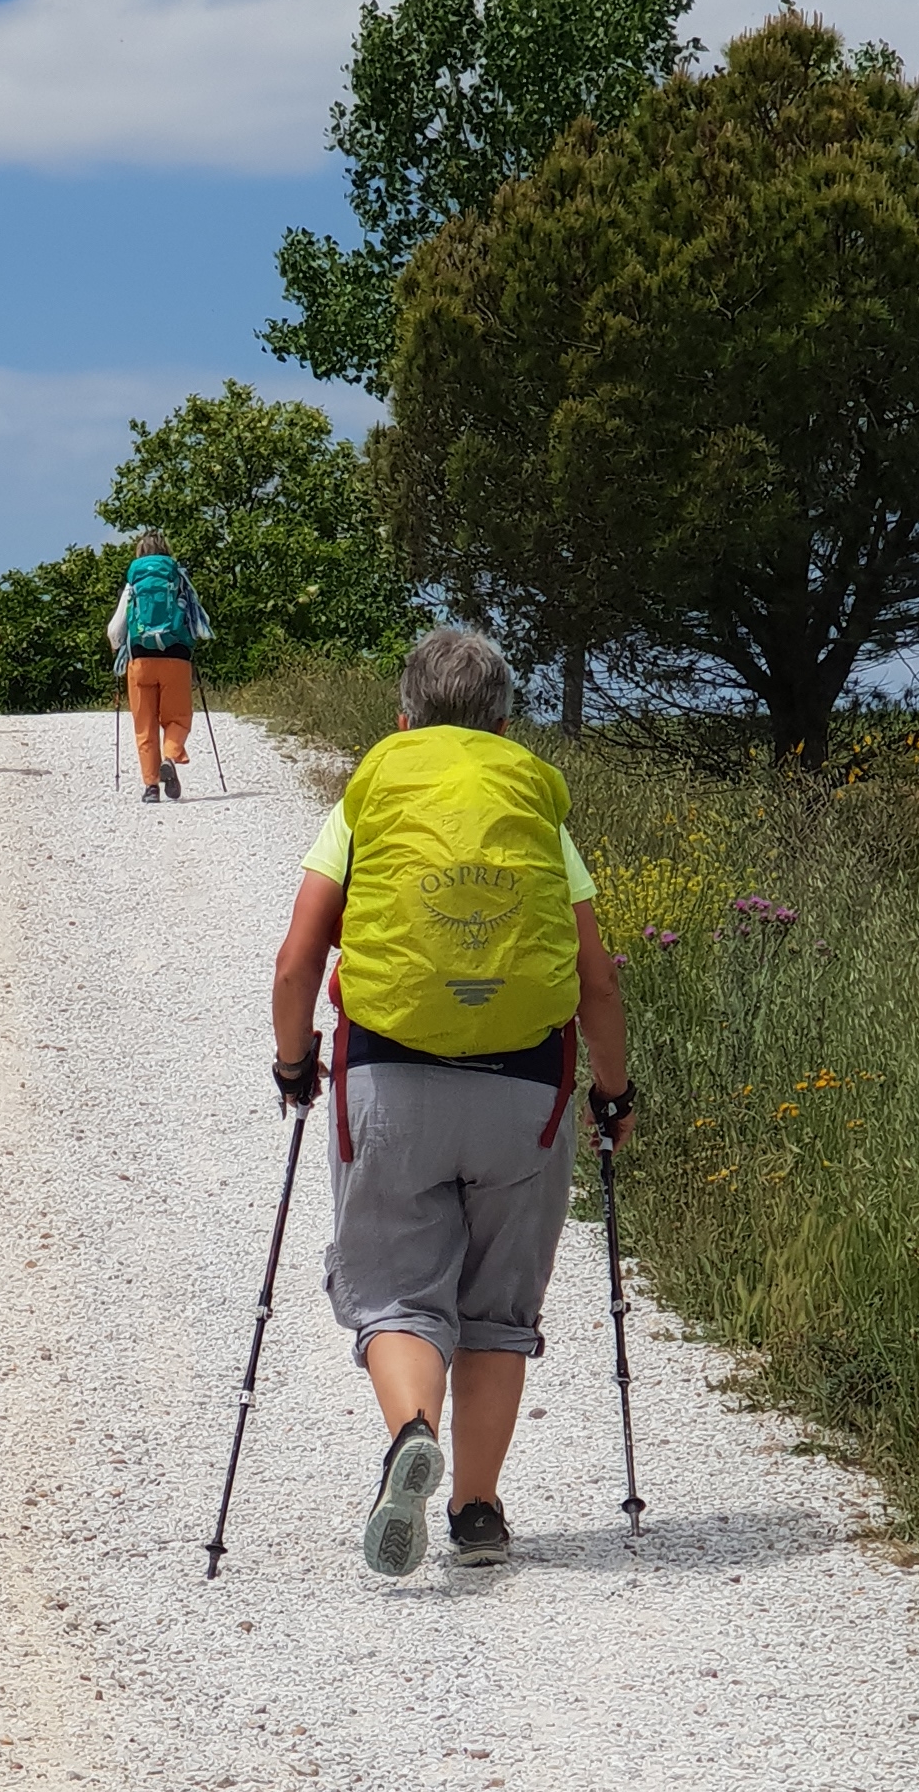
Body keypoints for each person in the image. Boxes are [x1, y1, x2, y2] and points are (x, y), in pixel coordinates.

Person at [264, 625, 633, 1576]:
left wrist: (295, 1063)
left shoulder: (370, 795)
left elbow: (300, 958)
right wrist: (613, 1091)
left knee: (394, 1293)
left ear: (403, 719)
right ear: (506, 724)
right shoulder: (535, 809)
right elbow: (596, 981)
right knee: (498, 1310)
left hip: (391, 1074)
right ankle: (476, 1512)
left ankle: (410, 1435)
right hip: (524, 1087)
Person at [105, 532, 209, 804]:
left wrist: (117, 648)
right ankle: (170, 756)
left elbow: (115, 629)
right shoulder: (177, 578)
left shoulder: (133, 584)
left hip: (140, 659)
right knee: (178, 718)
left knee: (145, 725)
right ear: (166, 550)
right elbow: (196, 621)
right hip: (176, 657)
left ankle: (151, 787)